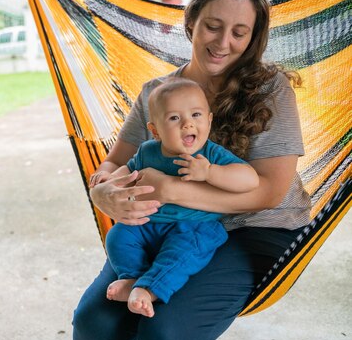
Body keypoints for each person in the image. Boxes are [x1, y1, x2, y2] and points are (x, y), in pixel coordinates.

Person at [72, 0, 311, 340]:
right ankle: (141, 280)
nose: (223, 43)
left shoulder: (270, 90)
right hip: (166, 225)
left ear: (252, 38)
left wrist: (171, 190)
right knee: (94, 324)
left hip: (255, 229)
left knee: (165, 332)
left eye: (239, 32)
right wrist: (101, 190)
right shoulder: (158, 94)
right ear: (191, 22)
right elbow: (112, 164)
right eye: (213, 26)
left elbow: (269, 192)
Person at [99, 78, 259, 318]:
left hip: (195, 226)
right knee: (118, 236)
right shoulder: (148, 151)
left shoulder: (210, 154)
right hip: (149, 223)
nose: (187, 124)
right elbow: (130, 171)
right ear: (155, 131)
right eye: (174, 118)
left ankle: (148, 289)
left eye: (196, 115)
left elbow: (250, 179)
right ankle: (132, 277)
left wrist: (209, 172)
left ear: (209, 119)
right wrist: (109, 181)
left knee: (182, 254)